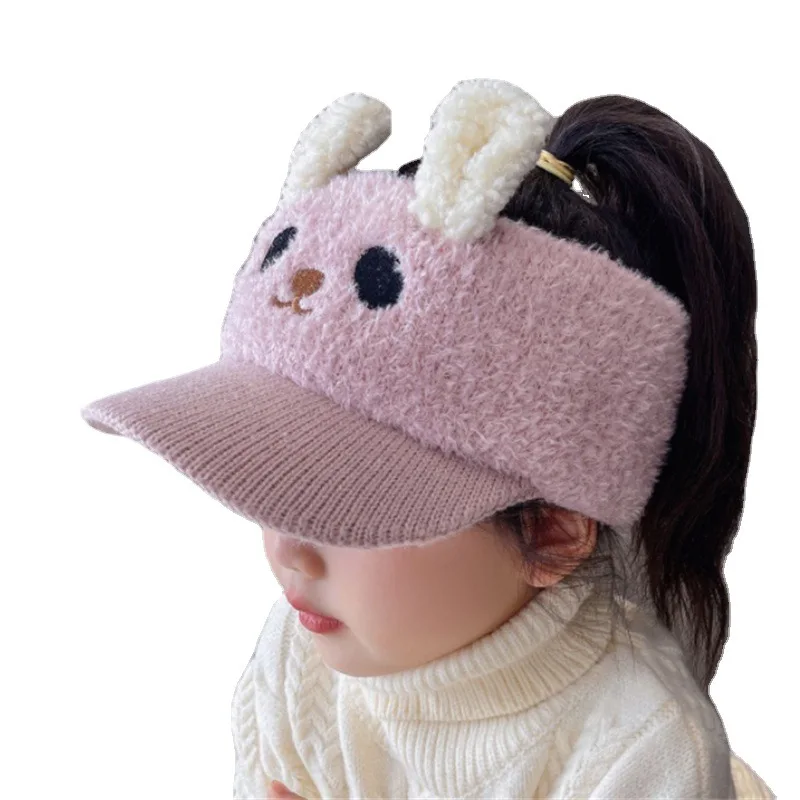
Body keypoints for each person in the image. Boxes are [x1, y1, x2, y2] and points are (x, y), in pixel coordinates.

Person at [81, 79, 776, 798]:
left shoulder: (640, 749)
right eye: (275, 483)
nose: (287, 549)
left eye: (347, 509)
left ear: (553, 532)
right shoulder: (301, 654)